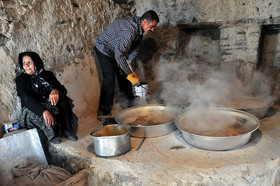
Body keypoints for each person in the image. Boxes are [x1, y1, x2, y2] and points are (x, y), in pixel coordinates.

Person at [94, 10, 159, 121]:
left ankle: (130, 104)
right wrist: (130, 74)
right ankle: (103, 112)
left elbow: (135, 50)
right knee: (109, 78)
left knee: (124, 75)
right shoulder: (130, 30)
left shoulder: (139, 30)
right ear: (144, 22)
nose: (152, 29)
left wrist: (128, 65)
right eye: (151, 26)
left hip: (117, 51)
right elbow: (119, 55)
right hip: (104, 49)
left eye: (154, 27)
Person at [15, 51, 78, 144]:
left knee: (63, 99)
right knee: (38, 114)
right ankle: (54, 134)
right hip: (33, 108)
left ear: (36, 62)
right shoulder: (21, 79)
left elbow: (62, 90)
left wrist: (55, 90)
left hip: (49, 104)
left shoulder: (48, 75)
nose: (27, 65)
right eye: (24, 63)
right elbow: (26, 98)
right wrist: (43, 111)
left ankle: (66, 129)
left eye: (30, 62)